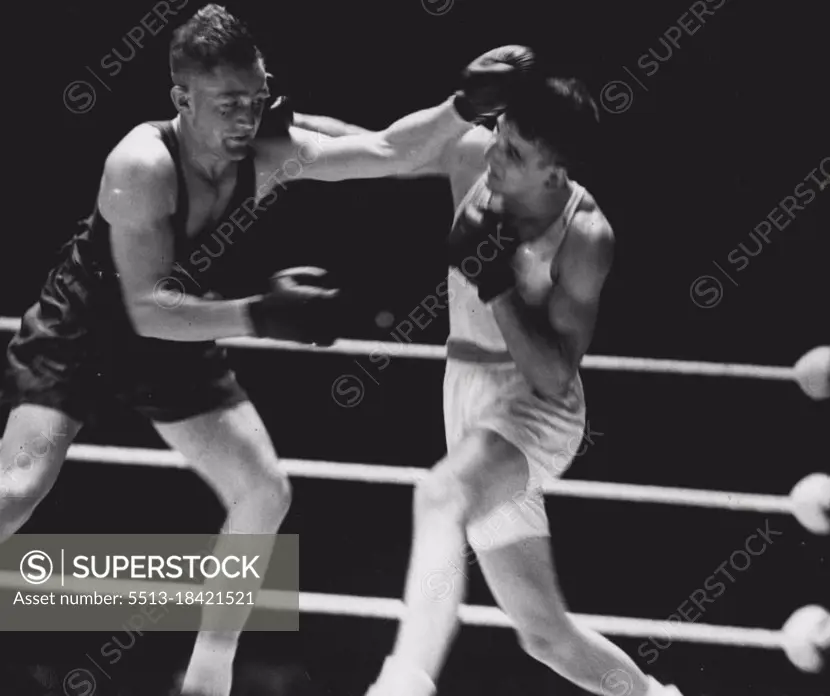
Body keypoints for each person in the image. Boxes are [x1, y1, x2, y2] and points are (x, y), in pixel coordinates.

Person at [0, 5, 517, 696]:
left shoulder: (270, 155)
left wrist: (463, 106)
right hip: (89, 330)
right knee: (17, 489)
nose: (247, 117)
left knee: (263, 492)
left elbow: (391, 151)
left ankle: (208, 680)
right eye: (227, 104)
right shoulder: (140, 163)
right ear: (182, 99)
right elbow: (144, 309)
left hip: (180, 329)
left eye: (256, 97)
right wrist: (262, 315)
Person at [364, 52, 685, 696]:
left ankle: (404, 683)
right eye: (499, 136)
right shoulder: (476, 158)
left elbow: (553, 375)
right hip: (466, 398)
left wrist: (497, 286)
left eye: (513, 150)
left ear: (553, 168)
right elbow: (384, 149)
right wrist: (283, 129)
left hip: (535, 412)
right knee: (543, 634)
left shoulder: (586, 235)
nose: (493, 156)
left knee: (440, 497)